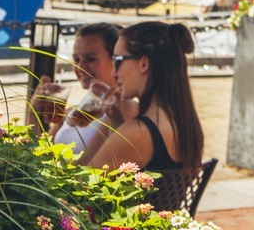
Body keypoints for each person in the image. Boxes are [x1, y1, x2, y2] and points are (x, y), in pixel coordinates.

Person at [83, 21, 205, 177]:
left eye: (117, 61)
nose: (114, 72)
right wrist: (117, 121)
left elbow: (81, 188)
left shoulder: (139, 132)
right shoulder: (187, 126)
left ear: (143, 63)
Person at [28, 22, 121, 152]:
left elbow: (87, 167)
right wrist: (33, 111)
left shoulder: (119, 112)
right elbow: (39, 156)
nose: (80, 67)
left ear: (115, 61)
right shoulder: (73, 111)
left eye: (90, 59)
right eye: (76, 60)